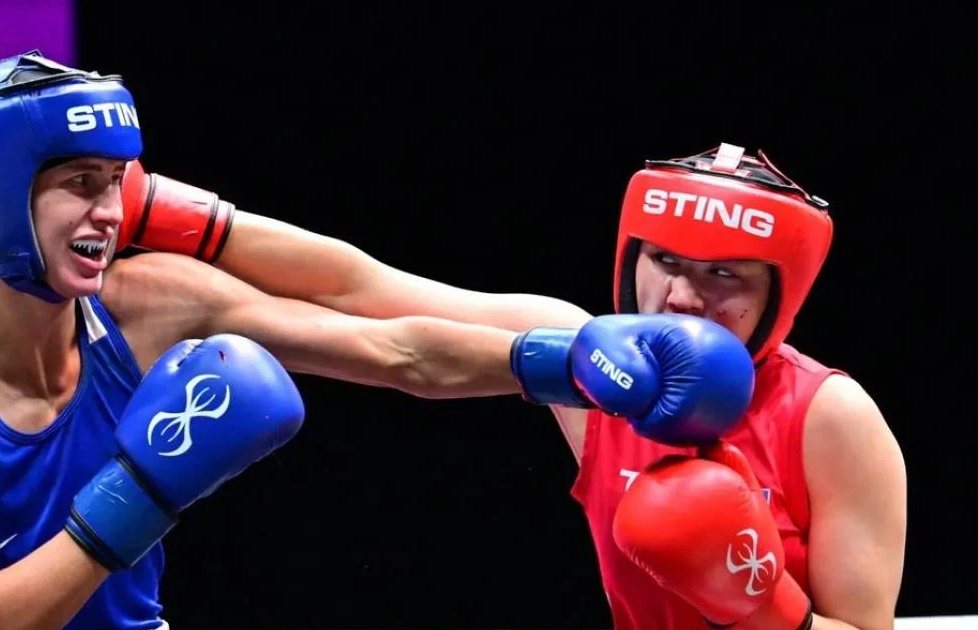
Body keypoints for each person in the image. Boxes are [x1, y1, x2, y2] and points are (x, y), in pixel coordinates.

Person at [0, 51, 755, 630]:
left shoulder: (153, 301)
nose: (111, 211)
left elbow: (392, 347)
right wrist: (142, 491)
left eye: (116, 182)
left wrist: (559, 362)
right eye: (78, 184)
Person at [136, 143, 907, 628]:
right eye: (665, 261)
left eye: (723, 275)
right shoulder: (593, 370)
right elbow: (361, 287)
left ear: (779, 293)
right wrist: (168, 215)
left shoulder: (828, 416)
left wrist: (763, 610)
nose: (680, 298)